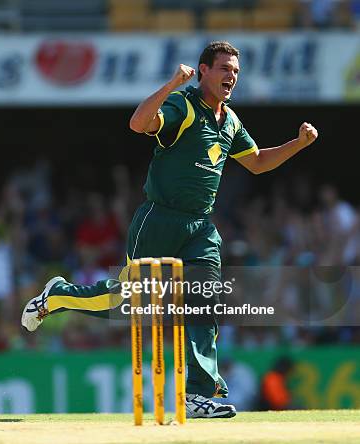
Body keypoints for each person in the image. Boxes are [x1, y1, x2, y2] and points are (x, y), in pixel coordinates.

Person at [21, 41, 318, 418]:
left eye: (236, 72)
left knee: (203, 298)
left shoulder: (230, 121)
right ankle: (59, 295)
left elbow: (257, 162)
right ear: (204, 70)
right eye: (224, 69)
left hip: (200, 228)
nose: (231, 77)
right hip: (159, 219)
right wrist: (171, 85)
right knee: (124, 301)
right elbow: (138, 123)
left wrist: (298, 144)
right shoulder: (185, 105)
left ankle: (197, 394)